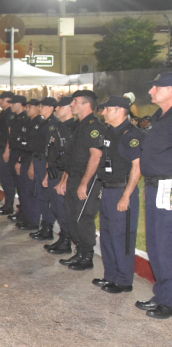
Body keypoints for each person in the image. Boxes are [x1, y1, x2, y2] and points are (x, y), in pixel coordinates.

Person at [94, 94, 143, 294]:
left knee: (121, 236)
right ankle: (111, 275)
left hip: (121, 191)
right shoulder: (109, 132)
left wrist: (126, 196)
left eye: (107, 109)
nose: (103, 112)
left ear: (120, 110)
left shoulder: (131, 135)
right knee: (107, 235)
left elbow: (137, 168)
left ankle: (123, 280)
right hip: (108, 189)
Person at [54, 90, 105, 271]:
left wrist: (84, 183)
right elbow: (72, 157)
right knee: (72, 215)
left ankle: (87, 256)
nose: (72, 104)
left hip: (87, 179)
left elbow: (96, 156)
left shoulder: (94, 126)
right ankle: (79, 252)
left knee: (84, 217)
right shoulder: (79, 126)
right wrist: (64, 180)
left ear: (86, 104)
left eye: (75, 101)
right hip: (74, 176)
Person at [135, 73, 172, 318]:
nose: (151, 91)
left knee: (167, 242)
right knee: (156, 243)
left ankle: (169, 300)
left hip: (169, 185)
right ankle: (162, 294)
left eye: (157, 87)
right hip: (154, 186)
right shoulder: (159, 117)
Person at [43, 97, 77, 255]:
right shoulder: (58, 127)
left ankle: (66, 241)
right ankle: (63, 239)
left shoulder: (73, 129)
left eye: (60, 107)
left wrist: (64, 179)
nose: (56, 109)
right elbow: (52, 152)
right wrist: (47, 174)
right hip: (53, 172)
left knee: (63, 209)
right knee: (56, 208)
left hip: (63, 173)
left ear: (70, 108)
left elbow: (71, 157)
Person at [28, 97, 59, 241]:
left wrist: (47, 168)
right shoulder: (43, 122)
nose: (40, 108)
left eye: (43, 106)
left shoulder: (53, 124)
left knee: (47, 196)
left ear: (51, 108)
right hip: (38, 160)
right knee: (41, 195)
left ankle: (48, 227)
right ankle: (44, 226)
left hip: (45, 162)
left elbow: (50, 149)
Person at [14, 98, 44, 231]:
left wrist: (32, 165)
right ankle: (26, 217)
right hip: (24, 158)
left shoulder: (40, 123)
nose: (27, 109)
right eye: (26, 107)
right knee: (24, 190)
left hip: (32, 160)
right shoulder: (27, 122)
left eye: (30, 107)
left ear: (38, 107)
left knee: (31, 192)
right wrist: (20, 161)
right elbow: (23, 144)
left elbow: (37, 148)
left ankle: (33, 220)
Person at [0, 92, 17, 215]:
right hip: (0, 148)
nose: (0, 101)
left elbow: (10, 133)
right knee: (3, 177)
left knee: (7, 178)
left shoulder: (10, 114)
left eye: (2, 99)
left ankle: (9, 205)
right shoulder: (4, 113)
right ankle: (8, 204)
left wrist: (7, 150)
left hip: (5, 149)